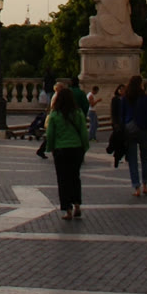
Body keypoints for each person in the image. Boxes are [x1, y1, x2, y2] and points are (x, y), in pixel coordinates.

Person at [45, 85, 88, 220]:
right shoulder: (78, 113)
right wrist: (84, 147)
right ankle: (77, 204)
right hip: (76, 148)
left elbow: (50, 134)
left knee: (63, 180)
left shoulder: (55, 114)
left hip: (61, 149)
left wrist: (50, 148)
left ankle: (67, 209)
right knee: (75, 177)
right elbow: (83, 132)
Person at [120, 74, 147, 196]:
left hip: (130, 129)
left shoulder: (125, 98)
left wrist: (123, 128)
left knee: (132, 159)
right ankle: (145, 185)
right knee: (145, 157)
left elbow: (122, 115)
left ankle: (136, 187)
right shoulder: (145, 98)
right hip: (143, 129)